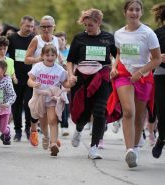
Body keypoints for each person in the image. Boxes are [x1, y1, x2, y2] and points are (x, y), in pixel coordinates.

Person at [109, 0, 161, 167]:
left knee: (139, 116)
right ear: (125, 12)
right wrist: (114, 67)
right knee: (129, 111)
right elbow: (118, 53)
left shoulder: (148, 33)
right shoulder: (118, 34)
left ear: (141, 12)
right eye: (131, 9)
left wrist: (141, 72)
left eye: (137, 10)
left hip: (143, 76)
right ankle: (129, 150)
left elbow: (157, 59)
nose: (134, 12)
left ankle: (136, 148)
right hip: (124, 75)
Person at [67, 8, 117, 159]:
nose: (87, 28)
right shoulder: (79, 38)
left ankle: (94, 147)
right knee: (84, 111)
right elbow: (70, 60)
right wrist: (70, 75)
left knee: (100, 111)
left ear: (98, 22)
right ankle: (79, 128)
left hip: (102, 78)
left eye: (90, 25)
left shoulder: (109, 37)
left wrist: (114, 67)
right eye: (85, 25)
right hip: (82, 78)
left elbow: (117, 56)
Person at [25, 15, 64, 147]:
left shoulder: (57, 40)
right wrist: (39, 60)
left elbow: (57, 55)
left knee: (52, 114)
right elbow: (26, 59)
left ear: (54, 27)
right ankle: (35, 131)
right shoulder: (36, 40)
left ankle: (51, 138)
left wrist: (61, 62)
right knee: (37, 111)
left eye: (49, 26)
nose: (46, 29)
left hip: (53, 81)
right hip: (39, 80)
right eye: (43, 27)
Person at [28, 44, 72, 156]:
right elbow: (30, 80)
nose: (50, 57)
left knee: (53, 119)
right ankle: (46, 137)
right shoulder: (38, 66)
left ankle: (53, 144)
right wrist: (34, 83)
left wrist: (71, 83)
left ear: (56, 56)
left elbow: (64, 83)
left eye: (53, 55)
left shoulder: (59, 70)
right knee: (43, 121)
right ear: (42, 55)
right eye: (47, 55)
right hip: (40, 96)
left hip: (53, 97)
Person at [7, 15, 35, 142]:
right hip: (15, 77)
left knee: (29, 103)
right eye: (27, 26)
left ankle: (28, 129)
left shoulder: (34, 39)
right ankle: (18, 130)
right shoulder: (12, 38)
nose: (30, 28)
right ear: (21, 25)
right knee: (16, 105)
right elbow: (0, 49)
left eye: (32, 26)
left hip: (30, 77)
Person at [152, 2, 165, 158]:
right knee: (162, 111)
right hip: (161, 74)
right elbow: (148, 54)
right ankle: (161, 138)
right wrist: (157, 57)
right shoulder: (156, 33)